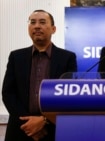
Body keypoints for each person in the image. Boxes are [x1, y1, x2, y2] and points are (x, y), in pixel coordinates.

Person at [2, 9, 77, 141]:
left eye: (42, 22)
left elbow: (69, 95)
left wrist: (44, 120)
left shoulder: (67, 58)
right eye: (33, 22)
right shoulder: (16, 57)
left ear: (53, 29)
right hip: (21, 129)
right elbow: (8, 93)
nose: (36, 26)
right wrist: (29, 123)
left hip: (53, 129)